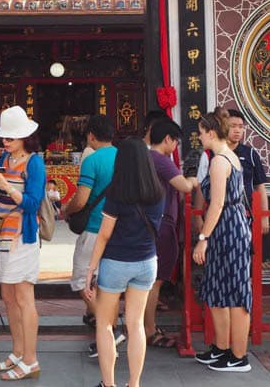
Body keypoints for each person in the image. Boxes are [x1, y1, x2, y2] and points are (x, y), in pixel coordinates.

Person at [84, 138, 165, 387]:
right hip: (147, 262)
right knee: (136, 324)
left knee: (105, 325)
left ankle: (109, 384)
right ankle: (134, 383)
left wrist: (90, 269)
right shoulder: (157, 193)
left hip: (116, 263)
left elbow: (104, 235)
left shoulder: (117, 194)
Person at [0, 105, 45, 382]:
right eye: (3, 137)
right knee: (8, 296)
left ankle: (31, 359)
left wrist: (6, 186)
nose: (5, 142)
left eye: (10, 137)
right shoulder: (5, 158)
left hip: (21, 235)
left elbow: (33, 203)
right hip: (0, 233)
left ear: (24, 137)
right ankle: (18, 352)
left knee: (24, 297)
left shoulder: (34, 162)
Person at [192, 108, 253, 373]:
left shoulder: (219, 161)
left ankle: (238, 356)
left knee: (235, 292)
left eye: (201, 132)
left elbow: (216, 204)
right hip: (230, 224)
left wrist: (202, 238)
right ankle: (222, 347)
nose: (199, 137)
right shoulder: (228, 156)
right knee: (220, 288)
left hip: (227, 226)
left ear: (211, 132)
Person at [144, 118, 200, 348]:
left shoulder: (145, 157)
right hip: (162, 224)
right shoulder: (161, 159)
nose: (176, 146)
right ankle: (148, 329)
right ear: (167, 139)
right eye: (176, 141)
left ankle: (146, 327)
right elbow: (184, 186)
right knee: (154, 282)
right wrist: (194, 179)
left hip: (150, 223)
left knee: (148, 281)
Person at [64, 114, 116, 331]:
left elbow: (81, 199)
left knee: (80, 279)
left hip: (95, 228)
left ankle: (108, 328)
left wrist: (66, 210)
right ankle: (106, 325)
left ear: (91, 136)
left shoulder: (92, 160)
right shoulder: (123, 157)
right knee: (107, 281)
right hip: (118, 228)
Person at [194, 108, 269, 234]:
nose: (237, 130)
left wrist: (264, 217)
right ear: (223, 127)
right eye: (233, 126)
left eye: (241, 126)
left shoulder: (250, 154)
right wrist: (197, 216)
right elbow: (201, 186)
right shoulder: (209, 155)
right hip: (215, 218)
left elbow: (260, 186)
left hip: (245, 216)